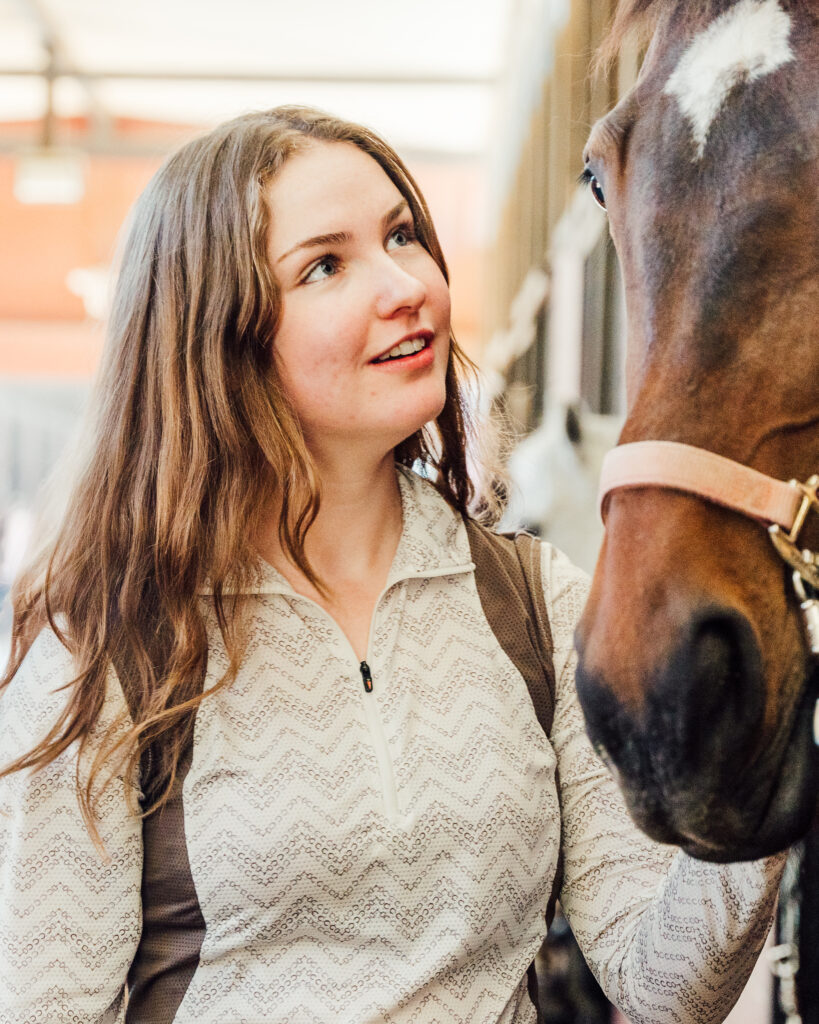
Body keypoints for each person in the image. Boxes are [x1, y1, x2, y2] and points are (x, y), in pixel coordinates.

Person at [0, 105, 783, 1024]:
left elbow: (665, 990)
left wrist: (772, 733)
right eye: (324, 265)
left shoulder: (531, 603)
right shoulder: (104, 639)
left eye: (402, 235)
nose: (404, 284)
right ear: (214, 333)